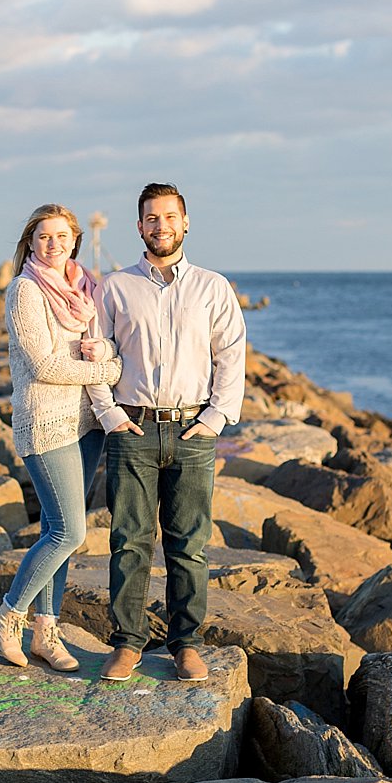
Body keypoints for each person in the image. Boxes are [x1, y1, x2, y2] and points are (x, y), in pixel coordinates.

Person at [83, 183, 246, 681]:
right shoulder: (114, 287)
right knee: (128, 541)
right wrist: (109, 415)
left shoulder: (212, 287)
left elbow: (231, 354)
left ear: (186, 222)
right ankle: (128, 643)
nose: (161, 226)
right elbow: (95, 352)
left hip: (192, 430)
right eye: (151, 218)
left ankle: (186, 644)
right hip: (133, 428)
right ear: (139, 227)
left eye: (170, 217)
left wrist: (214, 419)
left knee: (189, 544)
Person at [0, 203, 123, 671]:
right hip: (45, 423)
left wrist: (103, 352)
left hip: (87, 425)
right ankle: (8, 616)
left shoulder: (83, 288)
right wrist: (110, 368)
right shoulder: (25, 291)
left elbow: (102, 339)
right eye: (45, 236)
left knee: (53, 529)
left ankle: (46, 631)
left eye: (63, 236)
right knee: (70, 532)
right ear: (31, 240)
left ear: (75, 241)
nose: (54, 244)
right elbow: (45, 365)